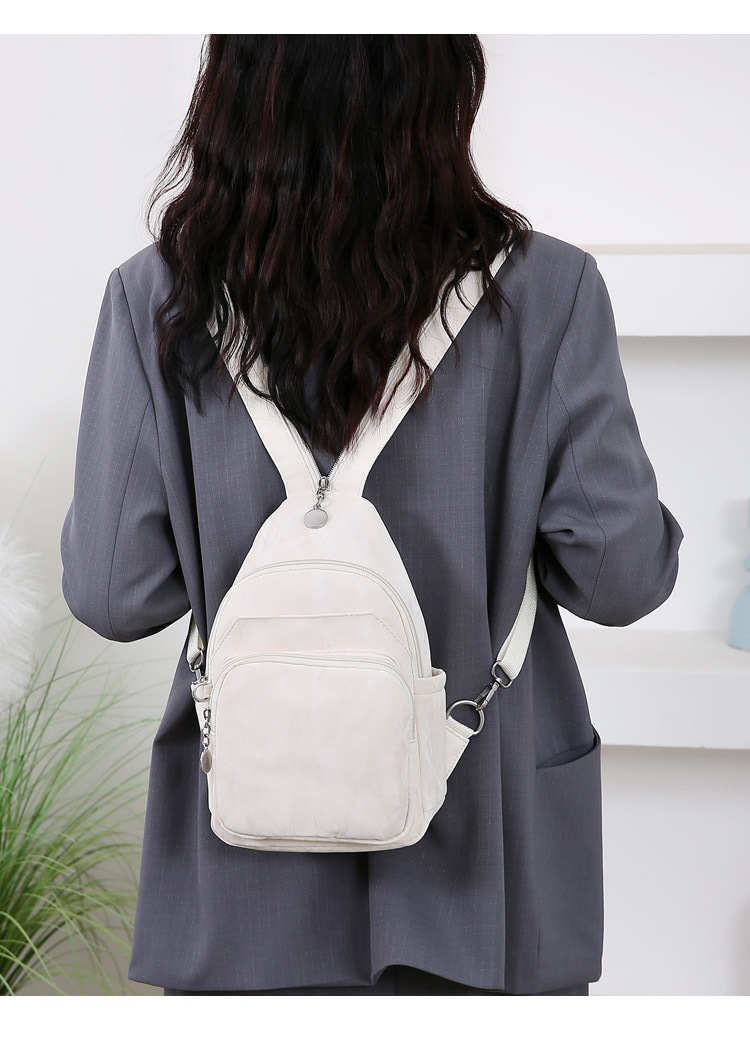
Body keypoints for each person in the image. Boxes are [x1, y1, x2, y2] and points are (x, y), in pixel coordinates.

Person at [60, 35, 683, 997]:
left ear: (231, 96)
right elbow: (622, 578)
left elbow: (115, 593)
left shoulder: (155, 300)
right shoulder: (548, 292)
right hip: (485, 874)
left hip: (244, 893)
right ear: (443, 93)